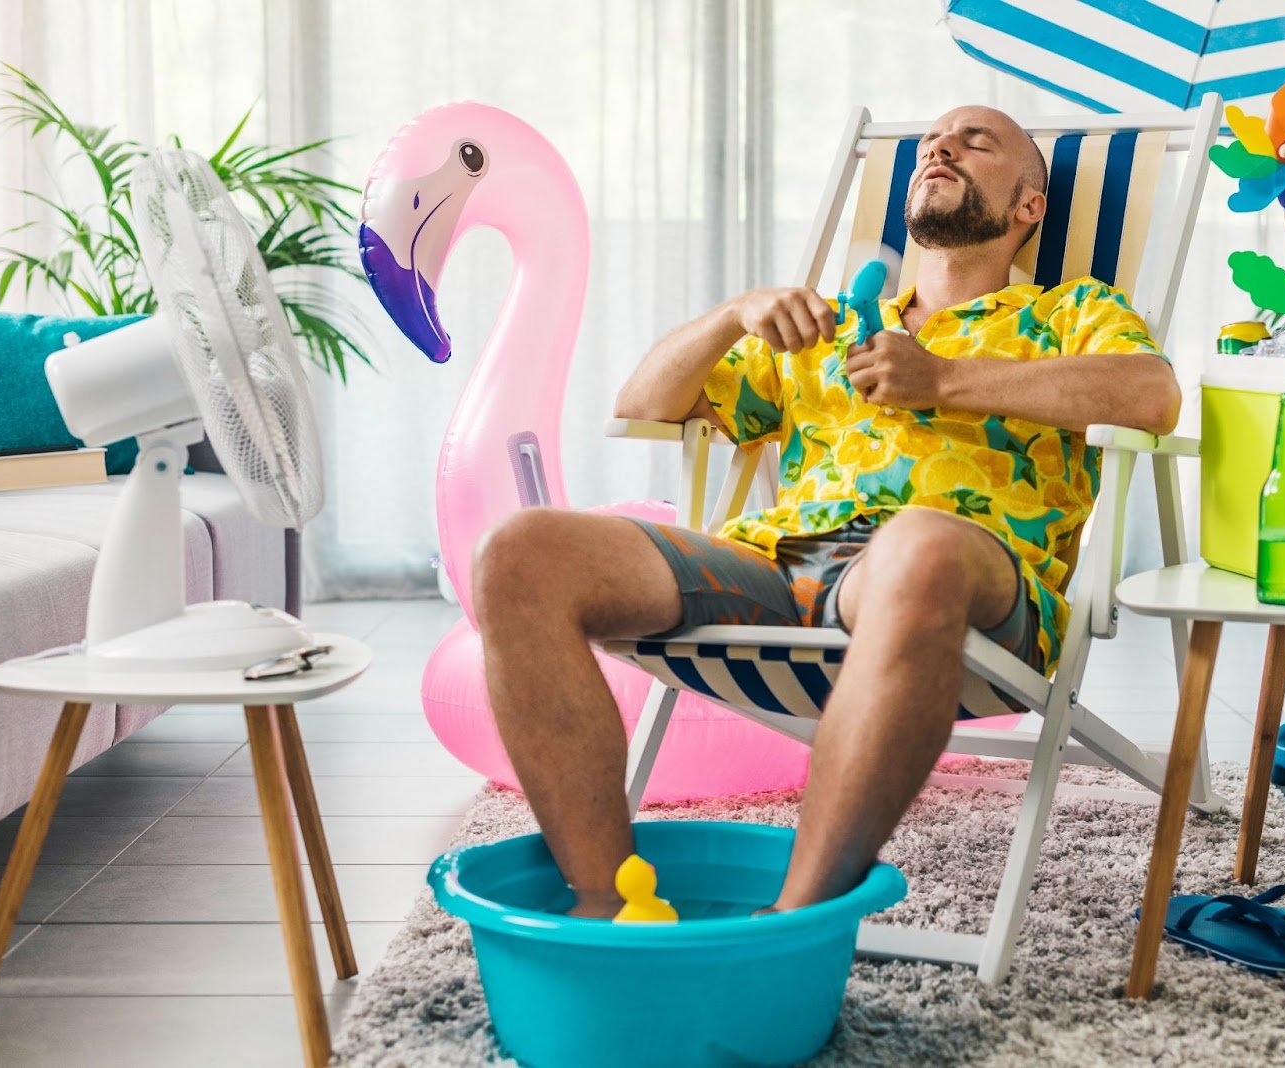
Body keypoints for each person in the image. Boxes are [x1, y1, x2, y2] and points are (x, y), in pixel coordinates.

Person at [472, 105, 1180, 918]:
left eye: (975, 142)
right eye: (930, 143)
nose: (940, 147)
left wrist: (942, 379)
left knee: (917, 549)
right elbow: (643, 401)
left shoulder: (1066, 313)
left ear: (1028, 207)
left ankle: (791, 925)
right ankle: (608, 905)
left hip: (960, 571)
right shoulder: (832, 325)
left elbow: (1151, 395)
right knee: (519, 553)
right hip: (790, 564)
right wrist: (732, 316)